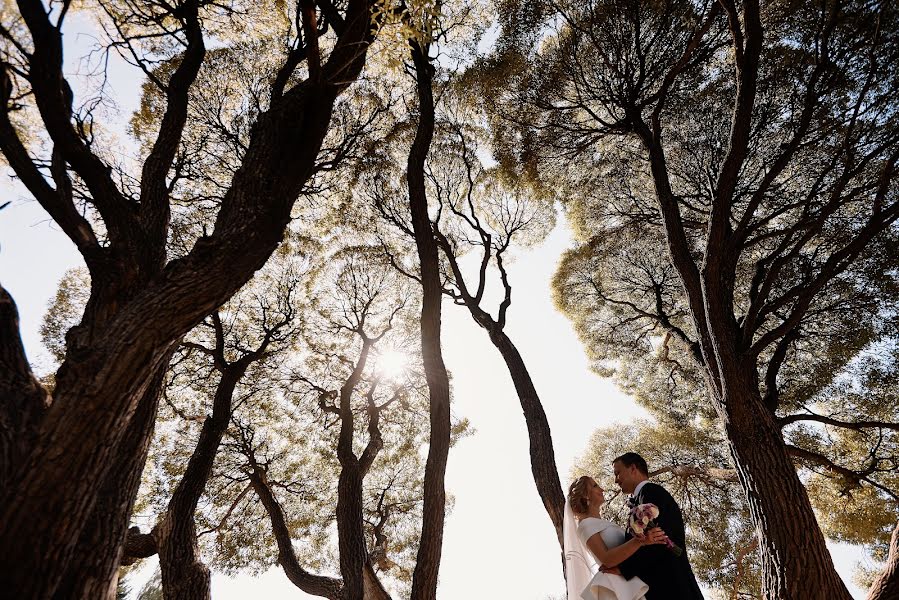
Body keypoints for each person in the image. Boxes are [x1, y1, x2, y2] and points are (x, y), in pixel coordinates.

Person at [613, 452, 704, 599]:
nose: (616, 480)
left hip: (673, 587)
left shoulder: (651, 492)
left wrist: (623, 569)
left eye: (618, 473)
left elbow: (658, 540)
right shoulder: (641, 498)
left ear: (633, 468)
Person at [565, 475, 667, 600]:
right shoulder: (585, 525)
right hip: (614, 586)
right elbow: (606, 559)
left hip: (628, 579)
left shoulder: (605, 523)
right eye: (595, 486)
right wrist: (641, 541)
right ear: (586, 495)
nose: (602, 489)